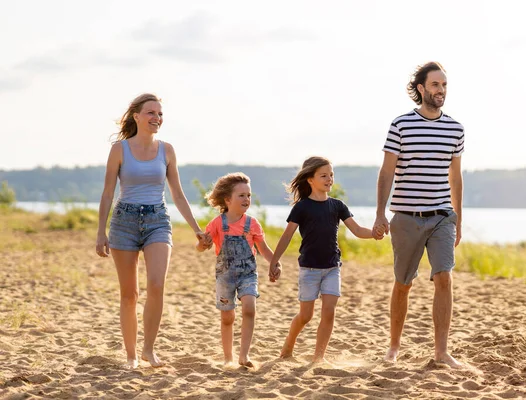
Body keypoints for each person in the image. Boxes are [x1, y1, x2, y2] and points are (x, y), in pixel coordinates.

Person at [95, 93, 212, 369]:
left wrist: (196, 229)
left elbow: (178, 195)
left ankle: (149, 350)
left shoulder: (167, 150)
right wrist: (101, 232)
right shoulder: (119, 150)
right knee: (129, 294)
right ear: (136, 116)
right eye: (151, 113)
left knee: (157, 286)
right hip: (124, 221)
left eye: (160, 114)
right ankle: (132, 356)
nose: (156, 118)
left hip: (158, 219)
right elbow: (108, 193)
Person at [373, 62, 464, 367]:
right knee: (403, 283)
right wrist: (380, 214)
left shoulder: (455, 129)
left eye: (445, 85)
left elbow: (455, 177)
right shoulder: (401, 125)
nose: (442, 91)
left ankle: (441, 352)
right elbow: (386, 172)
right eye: (436, 85)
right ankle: (394, 347)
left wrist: (458, 219)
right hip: (406, 217)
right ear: (422, 89)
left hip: (442, 216)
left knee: (444, 278)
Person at [269, 156, 381, 363]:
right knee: (306, 316)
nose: (329, 179)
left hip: (332, 268)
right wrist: (274, 261)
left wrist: (374, 233)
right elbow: (286, 236)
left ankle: (318, 357)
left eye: (331, 175)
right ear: (310, 179)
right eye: (324, 175)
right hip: (309, 269)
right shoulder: (302, 207)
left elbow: (356, 230)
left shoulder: (337, 205)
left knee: (329, 312)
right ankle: (288, 346)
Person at [197, 172, 279, 368]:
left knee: (249, 308)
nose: (247, 199)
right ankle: (228, 357)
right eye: (241, 195)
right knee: (227, 316)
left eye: (249, 195)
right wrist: (203, 244)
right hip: (225, 277)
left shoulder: (252, 224)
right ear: (228, 199)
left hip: (247, 275)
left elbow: (263, 249)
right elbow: (201, 246)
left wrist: (275, 263)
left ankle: (244, 355)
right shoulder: (217, 223)